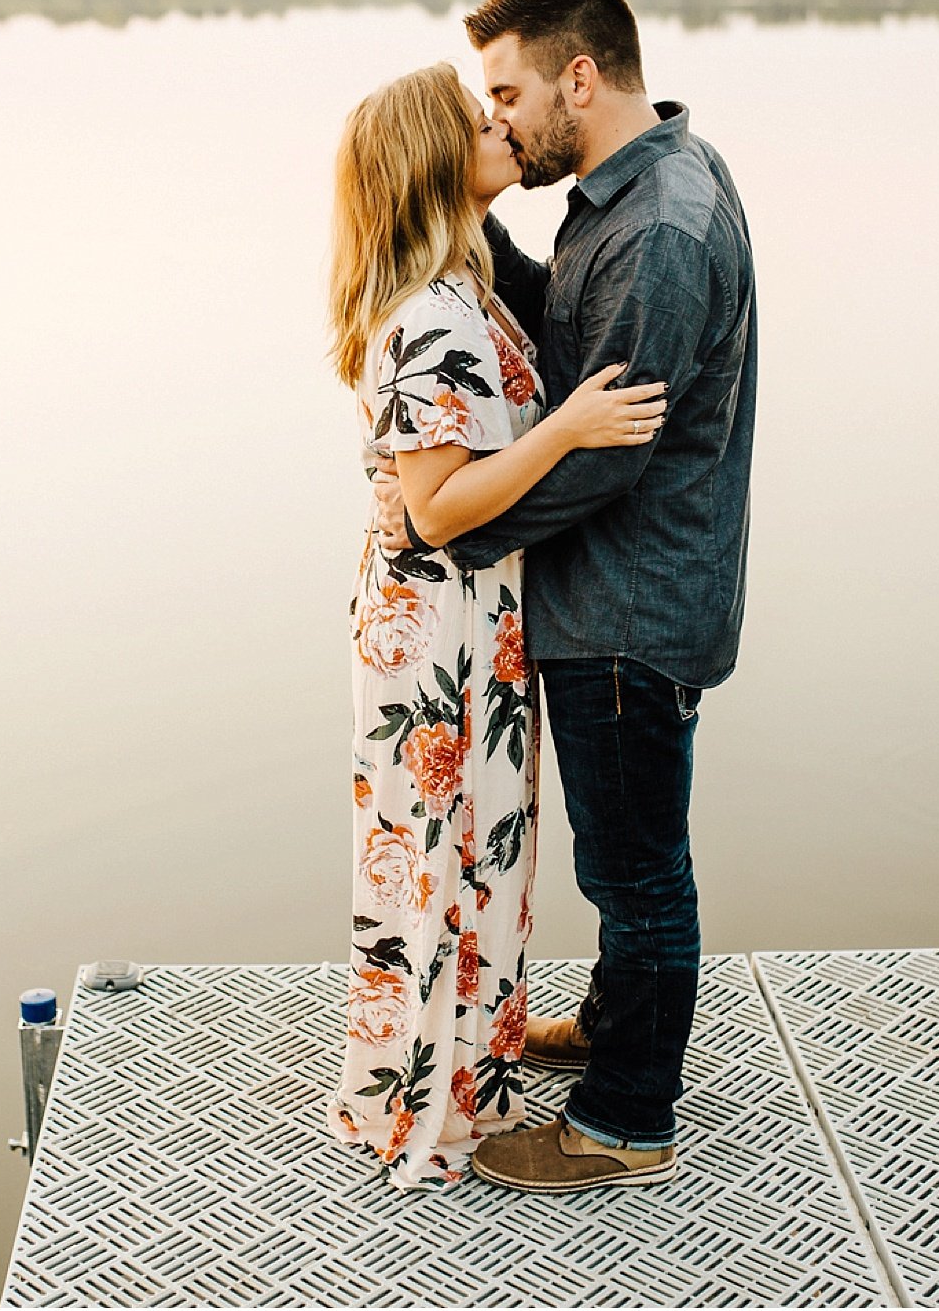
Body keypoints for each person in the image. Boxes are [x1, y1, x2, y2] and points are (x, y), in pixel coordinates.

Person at [373, 0, 758, 1194]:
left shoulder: (658, 227)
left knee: (637, 866)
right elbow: (566, 345)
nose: (498, 118)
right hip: (624, 589)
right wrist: (456, 208)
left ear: (576, 78)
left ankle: (625, 1118)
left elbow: (607, 451)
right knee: (625, 848)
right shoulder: (627, 187)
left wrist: (449, 533)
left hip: (627, 603)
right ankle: (612, 1021)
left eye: (505, 93)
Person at [321, 60, 669, 1191]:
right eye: (480, 121)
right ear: (434, 159)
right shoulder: (427, 314)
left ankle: (462, 1069)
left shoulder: (464, 279)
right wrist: (567, 427)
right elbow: (438, 505)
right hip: (436, 633)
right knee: (444, 856)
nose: (501, 126)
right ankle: (429, 1098)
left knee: (474, 854)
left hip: (474, 620)